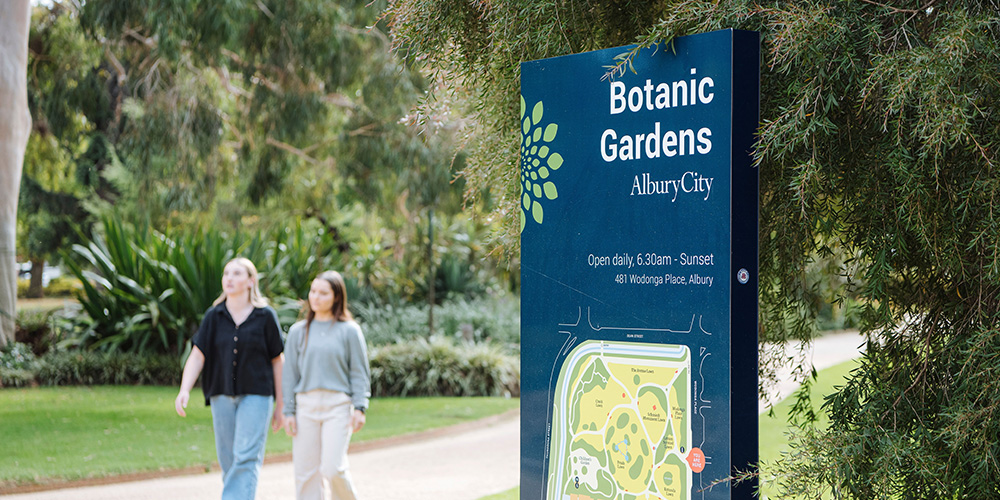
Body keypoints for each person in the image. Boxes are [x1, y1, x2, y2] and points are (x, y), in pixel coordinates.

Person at [174, 257, 285, 500]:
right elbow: (197, 355)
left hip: (257, 396)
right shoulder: (214, 316)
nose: (229, 279)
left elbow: (278, 360)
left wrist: (281, 404)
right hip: (221, 394)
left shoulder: (265, 316)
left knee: (245, 456)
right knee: (228, 459)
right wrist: (184, 389)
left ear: (250, 281)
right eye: (226, 274)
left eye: (237, 274)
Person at [282, 270, 371, 500]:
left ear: (336, 297)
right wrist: (289, 411)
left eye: (323, 293)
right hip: (305, 407)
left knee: (332, 469)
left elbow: (359, 372)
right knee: (305, 474)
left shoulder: (349, 331)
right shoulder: (297, 332)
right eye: (313, 291)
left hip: (337, 406)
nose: (316, 297)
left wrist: (360, 407)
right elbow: (289, 375)